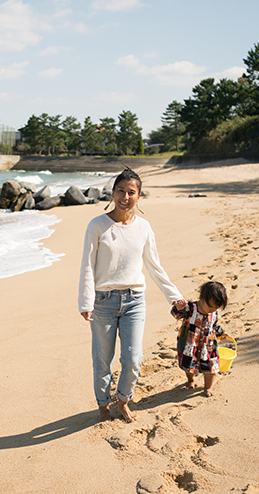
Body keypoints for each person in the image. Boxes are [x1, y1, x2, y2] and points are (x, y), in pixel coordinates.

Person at [79, 168, 184, 423]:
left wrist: (175, 297)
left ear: (139, 196)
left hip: (134, 300)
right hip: (103, 302)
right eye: (120, 191)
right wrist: (85, 301)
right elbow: (87, 266)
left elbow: (154, 266)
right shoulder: (97, 225)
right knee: (102, 361)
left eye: (131, 192)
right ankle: (104, 406)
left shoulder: (144, 228)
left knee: (133, 358)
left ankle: (123, 400)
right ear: (113, 192)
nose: (125, 196)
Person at [171, 281, 229, 397]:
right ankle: (190, 380)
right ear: (201, 298)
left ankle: (207, 388)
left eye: (216, 308)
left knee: (210, 368)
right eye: (211, 306)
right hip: (189, 344)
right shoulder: (191, 308)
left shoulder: (214, 313)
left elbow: (213, 326)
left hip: (208, 346)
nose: (212, 310)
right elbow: (176, 314)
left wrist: (221, 333)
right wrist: (178, 307)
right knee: (188, 367)